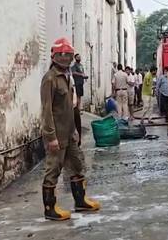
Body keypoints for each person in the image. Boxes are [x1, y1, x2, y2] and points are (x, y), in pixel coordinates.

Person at [41, 38, 100, 221]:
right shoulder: (50, 78)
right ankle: (50, 209)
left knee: (77, 165)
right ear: (54, 56)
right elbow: (46, 110)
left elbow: (70, 107)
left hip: (69, 132)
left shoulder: (68, 76)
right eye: (61, 55)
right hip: (56, 134)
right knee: (53, 170)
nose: (65, 58)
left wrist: (75, 129)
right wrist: (51, 137)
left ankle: (80, 201)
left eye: (68, 55)